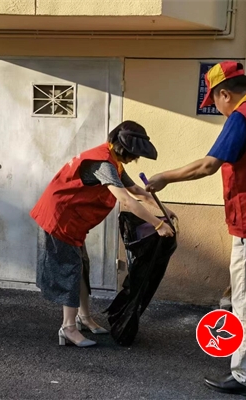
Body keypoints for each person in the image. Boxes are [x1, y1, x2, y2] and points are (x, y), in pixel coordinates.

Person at [145, 61, 246, 396]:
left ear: (224, 94)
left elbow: (208, 165)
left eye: (215, 102)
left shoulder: (242, 117)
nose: (218, 110)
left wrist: (164, 177)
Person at [30, 121, 176, 348]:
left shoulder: (113, 161)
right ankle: (68, 328)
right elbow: (125, 199)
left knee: (82, 267)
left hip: (73, 220)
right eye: (132, 153)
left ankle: (84, 317)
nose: (134, 158)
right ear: (121, 147)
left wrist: (164, 210)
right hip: (60, 219)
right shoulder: (102, 163)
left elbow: (136, 190)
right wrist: (158, 225)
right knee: (70, 269)